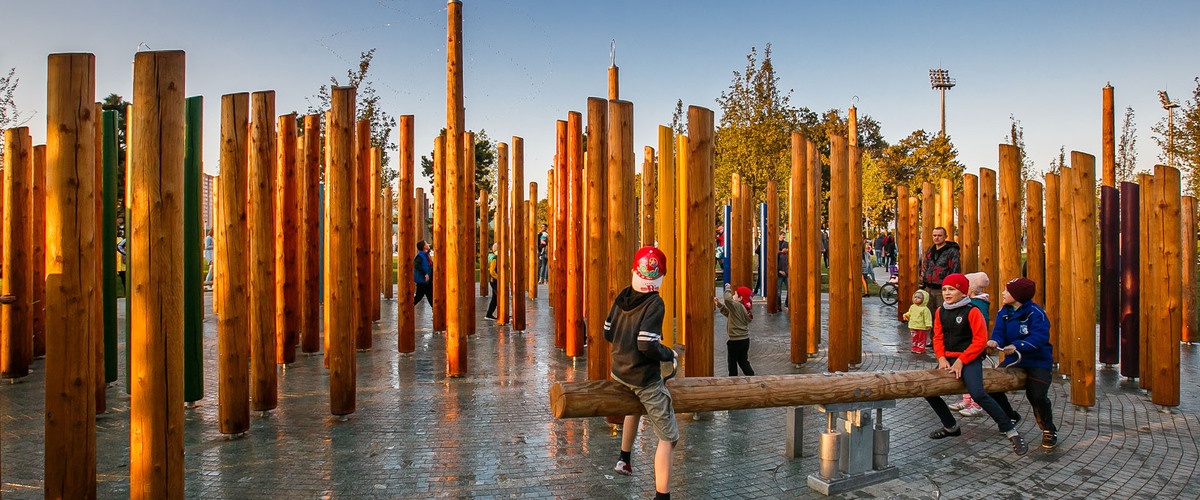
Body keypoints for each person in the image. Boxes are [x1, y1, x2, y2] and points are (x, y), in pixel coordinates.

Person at [923, 273, 1029, 456]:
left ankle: (1010, 430)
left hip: (969, 358)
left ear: (963, 292)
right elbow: (938, 337)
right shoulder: (941, 311)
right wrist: (940, 358)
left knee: (978, 392)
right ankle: (950, 426)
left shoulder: (973, 311)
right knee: (929, 390)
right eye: (945, 289)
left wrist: (961, 361)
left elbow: (980, 341)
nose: (947, 293)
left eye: (952, 289)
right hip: (948, 358)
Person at [606, 246, 679, 500]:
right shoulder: (655, 303)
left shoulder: (623, 295)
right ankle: (662, 495)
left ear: (634, 270)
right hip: (643, 379)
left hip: (619, 372)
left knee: (633, 409)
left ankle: (624, 459)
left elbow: (607, 331)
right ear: (661, 277)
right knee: (669, 437)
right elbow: (647, 344)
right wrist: (668, 353)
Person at [988, 277, 1058, 449]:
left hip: (1037, 361)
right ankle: (1010, 415)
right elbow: (999, 333)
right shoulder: (1003, 313)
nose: (1003, 293)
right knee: (991, 386)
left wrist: (1017, 345)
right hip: (1015, 360)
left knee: (1037, 395)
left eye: (1007, 291)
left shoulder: (1036, 313)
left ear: (1018, 296)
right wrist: (995, 342)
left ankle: (1048, 429)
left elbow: (1039, 338)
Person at [954, 272, 991, 417]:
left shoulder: (977, 305)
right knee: (963, 374)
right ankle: (966, 399)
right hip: (965, 344)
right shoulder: (972, 303)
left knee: (973, 376)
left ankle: (976, 403)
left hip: (973, 346)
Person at [714, 284, 754, 376]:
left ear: (740, 298)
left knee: (732, 363)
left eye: (735, 295)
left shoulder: (738, 306)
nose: (733, 296)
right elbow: (730, 315)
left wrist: (727, 289)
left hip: (735, 341)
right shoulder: (743, 309)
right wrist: (719, 305)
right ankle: (751, 376)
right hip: (745, 340)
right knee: (743, 361)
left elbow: (728, 300)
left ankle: (733, 379)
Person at [919, 227, 961, 316]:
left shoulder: (952, 251)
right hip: (928, 288)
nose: (936, 238)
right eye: (934, 235)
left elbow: (955, 270)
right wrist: (921, 285)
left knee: (943, 315)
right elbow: (925, 267)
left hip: (942, 290)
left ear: (945, 236)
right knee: (928, 316)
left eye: (939, 235)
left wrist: (951, 288)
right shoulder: (931, 250)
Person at [904, 289, 932, 353]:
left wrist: (928, 324)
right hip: (913, 326)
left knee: (921, 338)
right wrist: (906, 315)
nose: (916, 299)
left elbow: (927, 317)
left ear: (924, 299)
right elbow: (910, 313)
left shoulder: (925, 309)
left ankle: (921, 348)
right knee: (914, 338)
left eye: (919, 298)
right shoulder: (912, 307)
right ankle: (914, 347)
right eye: (915, 297)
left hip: (921, 327)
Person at [413, 240, 433, 307]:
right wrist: (425, 274)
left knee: (431, 297)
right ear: (424, 246)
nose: (428, 244)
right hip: (423, 281)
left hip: (427, 281)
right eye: (426, 243)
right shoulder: (420, 256)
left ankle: (436, 312)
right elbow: (416, 265)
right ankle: (408, 308)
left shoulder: (426, 255)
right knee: (419, 296)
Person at [485, 243, 500, 320]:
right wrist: (499, 277)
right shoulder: (494, 258)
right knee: (497, 297)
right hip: (494, 280)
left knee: (495, 297)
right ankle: (489, 314)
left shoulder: (496, 258)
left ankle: (490, 314)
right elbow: (492, 271)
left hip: (494, 280)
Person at [776, 233, 788, 306]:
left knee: (790, 289)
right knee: (778, 291)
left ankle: (787, 303)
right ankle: (778, 305)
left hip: (786, 273)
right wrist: (778, 271)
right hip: (779, 273)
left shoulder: (788, 255)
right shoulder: (778, 254)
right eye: (782, 235)